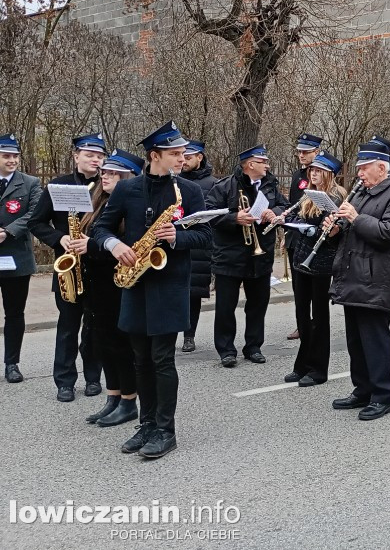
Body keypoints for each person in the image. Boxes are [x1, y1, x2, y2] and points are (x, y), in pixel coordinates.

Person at [92, 121, 212, 459]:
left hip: (170, 286)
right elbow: (101, 228)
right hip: (135, 283)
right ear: (154, 155)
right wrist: (115, 246)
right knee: (140, 359)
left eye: (182, 153)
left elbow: (206, 237)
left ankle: (165, 430)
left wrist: (179, 237)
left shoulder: (189, 191)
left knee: (162, 359)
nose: (181, 158)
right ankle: (145, 424)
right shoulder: (127, 190)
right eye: (174, 154)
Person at [329, 141, 390, 421]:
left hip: (376, 278)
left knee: (374, 339)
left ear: (381, 167)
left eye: (364, 168)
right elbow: (351, 229)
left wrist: (355, 217)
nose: (360, 174)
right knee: (355, 339)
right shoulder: (362, 193)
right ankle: (361, 389)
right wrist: (334, 228)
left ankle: (381, 396)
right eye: (359, 168)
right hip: (353, 274)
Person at [29, 131, 106, 402]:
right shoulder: (57, 186)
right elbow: (36, 222)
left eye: (99, 155)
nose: (95, 160)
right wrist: (58, 238)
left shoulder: (107, 187)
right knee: (67, 327)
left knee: (94, 326)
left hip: (96, 265)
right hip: (67, 267)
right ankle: (64, 381)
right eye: (89, 155)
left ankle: (94, 377)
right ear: (76, 157)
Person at [206, 145, 288, 367]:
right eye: (264, 162)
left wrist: (276, 213)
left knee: (258, 305)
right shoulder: (224, 186)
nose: (268, 165)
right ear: (250, 165)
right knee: (225, 306)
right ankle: (226, 350)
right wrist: (235, 218)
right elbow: (210, 214)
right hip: (229, 256)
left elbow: (284, 206)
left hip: (260, 256)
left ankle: (253, 347)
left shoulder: (271, 186)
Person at [79, 149, 144, 427]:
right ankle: (113, 396)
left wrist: (89, 245)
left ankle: (129, 400)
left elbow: (128, 247)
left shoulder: (131, 204)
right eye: (105, 171)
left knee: (120, 345)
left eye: (113, 173)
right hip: (97, 283)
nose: (105, 176)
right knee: (102, 342)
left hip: (117, 283)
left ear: (128, 177)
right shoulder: (99, 200)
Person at [285, 152, 345, 387]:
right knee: (302, 314)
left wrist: (320, 229)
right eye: (312, 170)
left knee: (319, 317)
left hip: (321, 263)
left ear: (328, 174)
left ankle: (319, 368)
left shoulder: (336, 197)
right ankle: (302, 364)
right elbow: (301, 219)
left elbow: (334, 230)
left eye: (318, 171)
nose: (313, 173)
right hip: (302, 259)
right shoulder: (308, 195)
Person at [0, 134, 43, 384]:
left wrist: (7, 231)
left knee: (14, 313)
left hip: (16, 257)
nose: (12, 160)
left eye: (15, 156)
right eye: (6, 156)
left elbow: (34, 214)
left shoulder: (29, 183)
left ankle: (12, 363)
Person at [285, 133, 323, 340]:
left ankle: (316, 323)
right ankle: (301, 324)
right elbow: (292, 206)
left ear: (316, 152)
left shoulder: (322, 174)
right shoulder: (297, 176)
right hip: (296, 237)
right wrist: (287, 234)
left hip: (315, 236)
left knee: (315, 288)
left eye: (306, 152)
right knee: (298, 287)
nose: (301, 155)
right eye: (299, 151)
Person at [179, 140, 215, 353]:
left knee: (193, 294)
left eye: (189, 157)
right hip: (175, 240)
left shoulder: (212, 183)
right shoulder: (174, 180)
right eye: (182, 157)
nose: (183, 161)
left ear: (200, 157)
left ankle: (189, 335)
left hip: (199, 245)